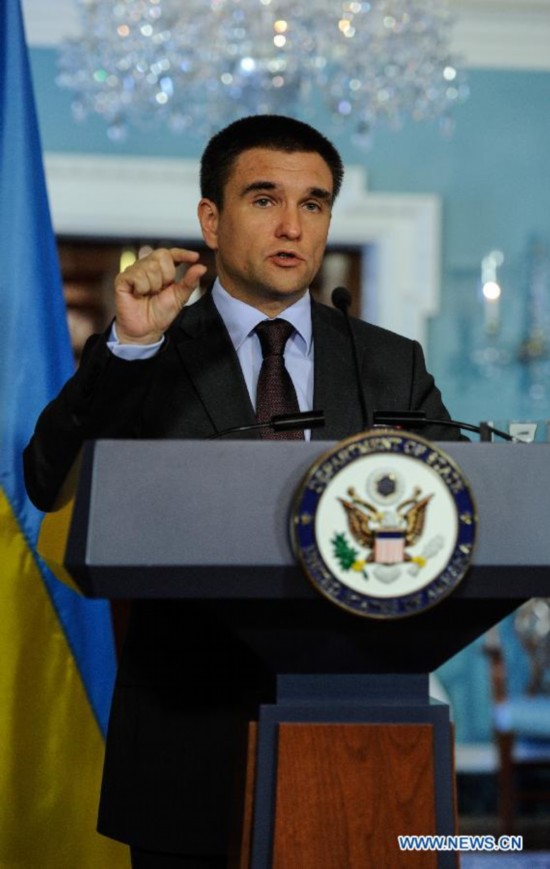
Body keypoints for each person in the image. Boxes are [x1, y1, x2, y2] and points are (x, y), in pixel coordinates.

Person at [24, 114, 460, 868]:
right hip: (185, 744)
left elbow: (460, 513)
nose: (293, 225)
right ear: (212, 221)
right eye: (264, 200)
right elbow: (46, 479)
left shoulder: (390, 362)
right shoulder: (145, 347)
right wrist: (129, 347)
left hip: (365, 739)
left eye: (314, 203)